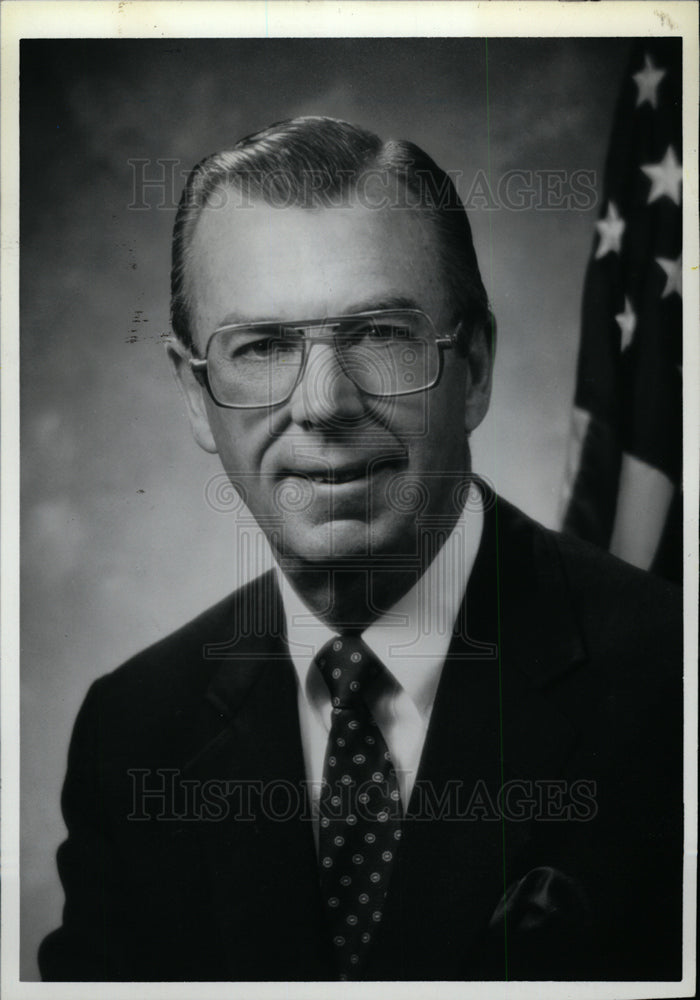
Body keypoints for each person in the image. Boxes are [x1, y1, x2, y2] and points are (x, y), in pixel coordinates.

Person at [39, 116, 682, 982]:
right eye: (262, 347)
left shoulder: (671, 681)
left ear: (477, 368)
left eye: (378, 335)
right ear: (196, 396)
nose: (323, 405)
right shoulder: (134, 735)